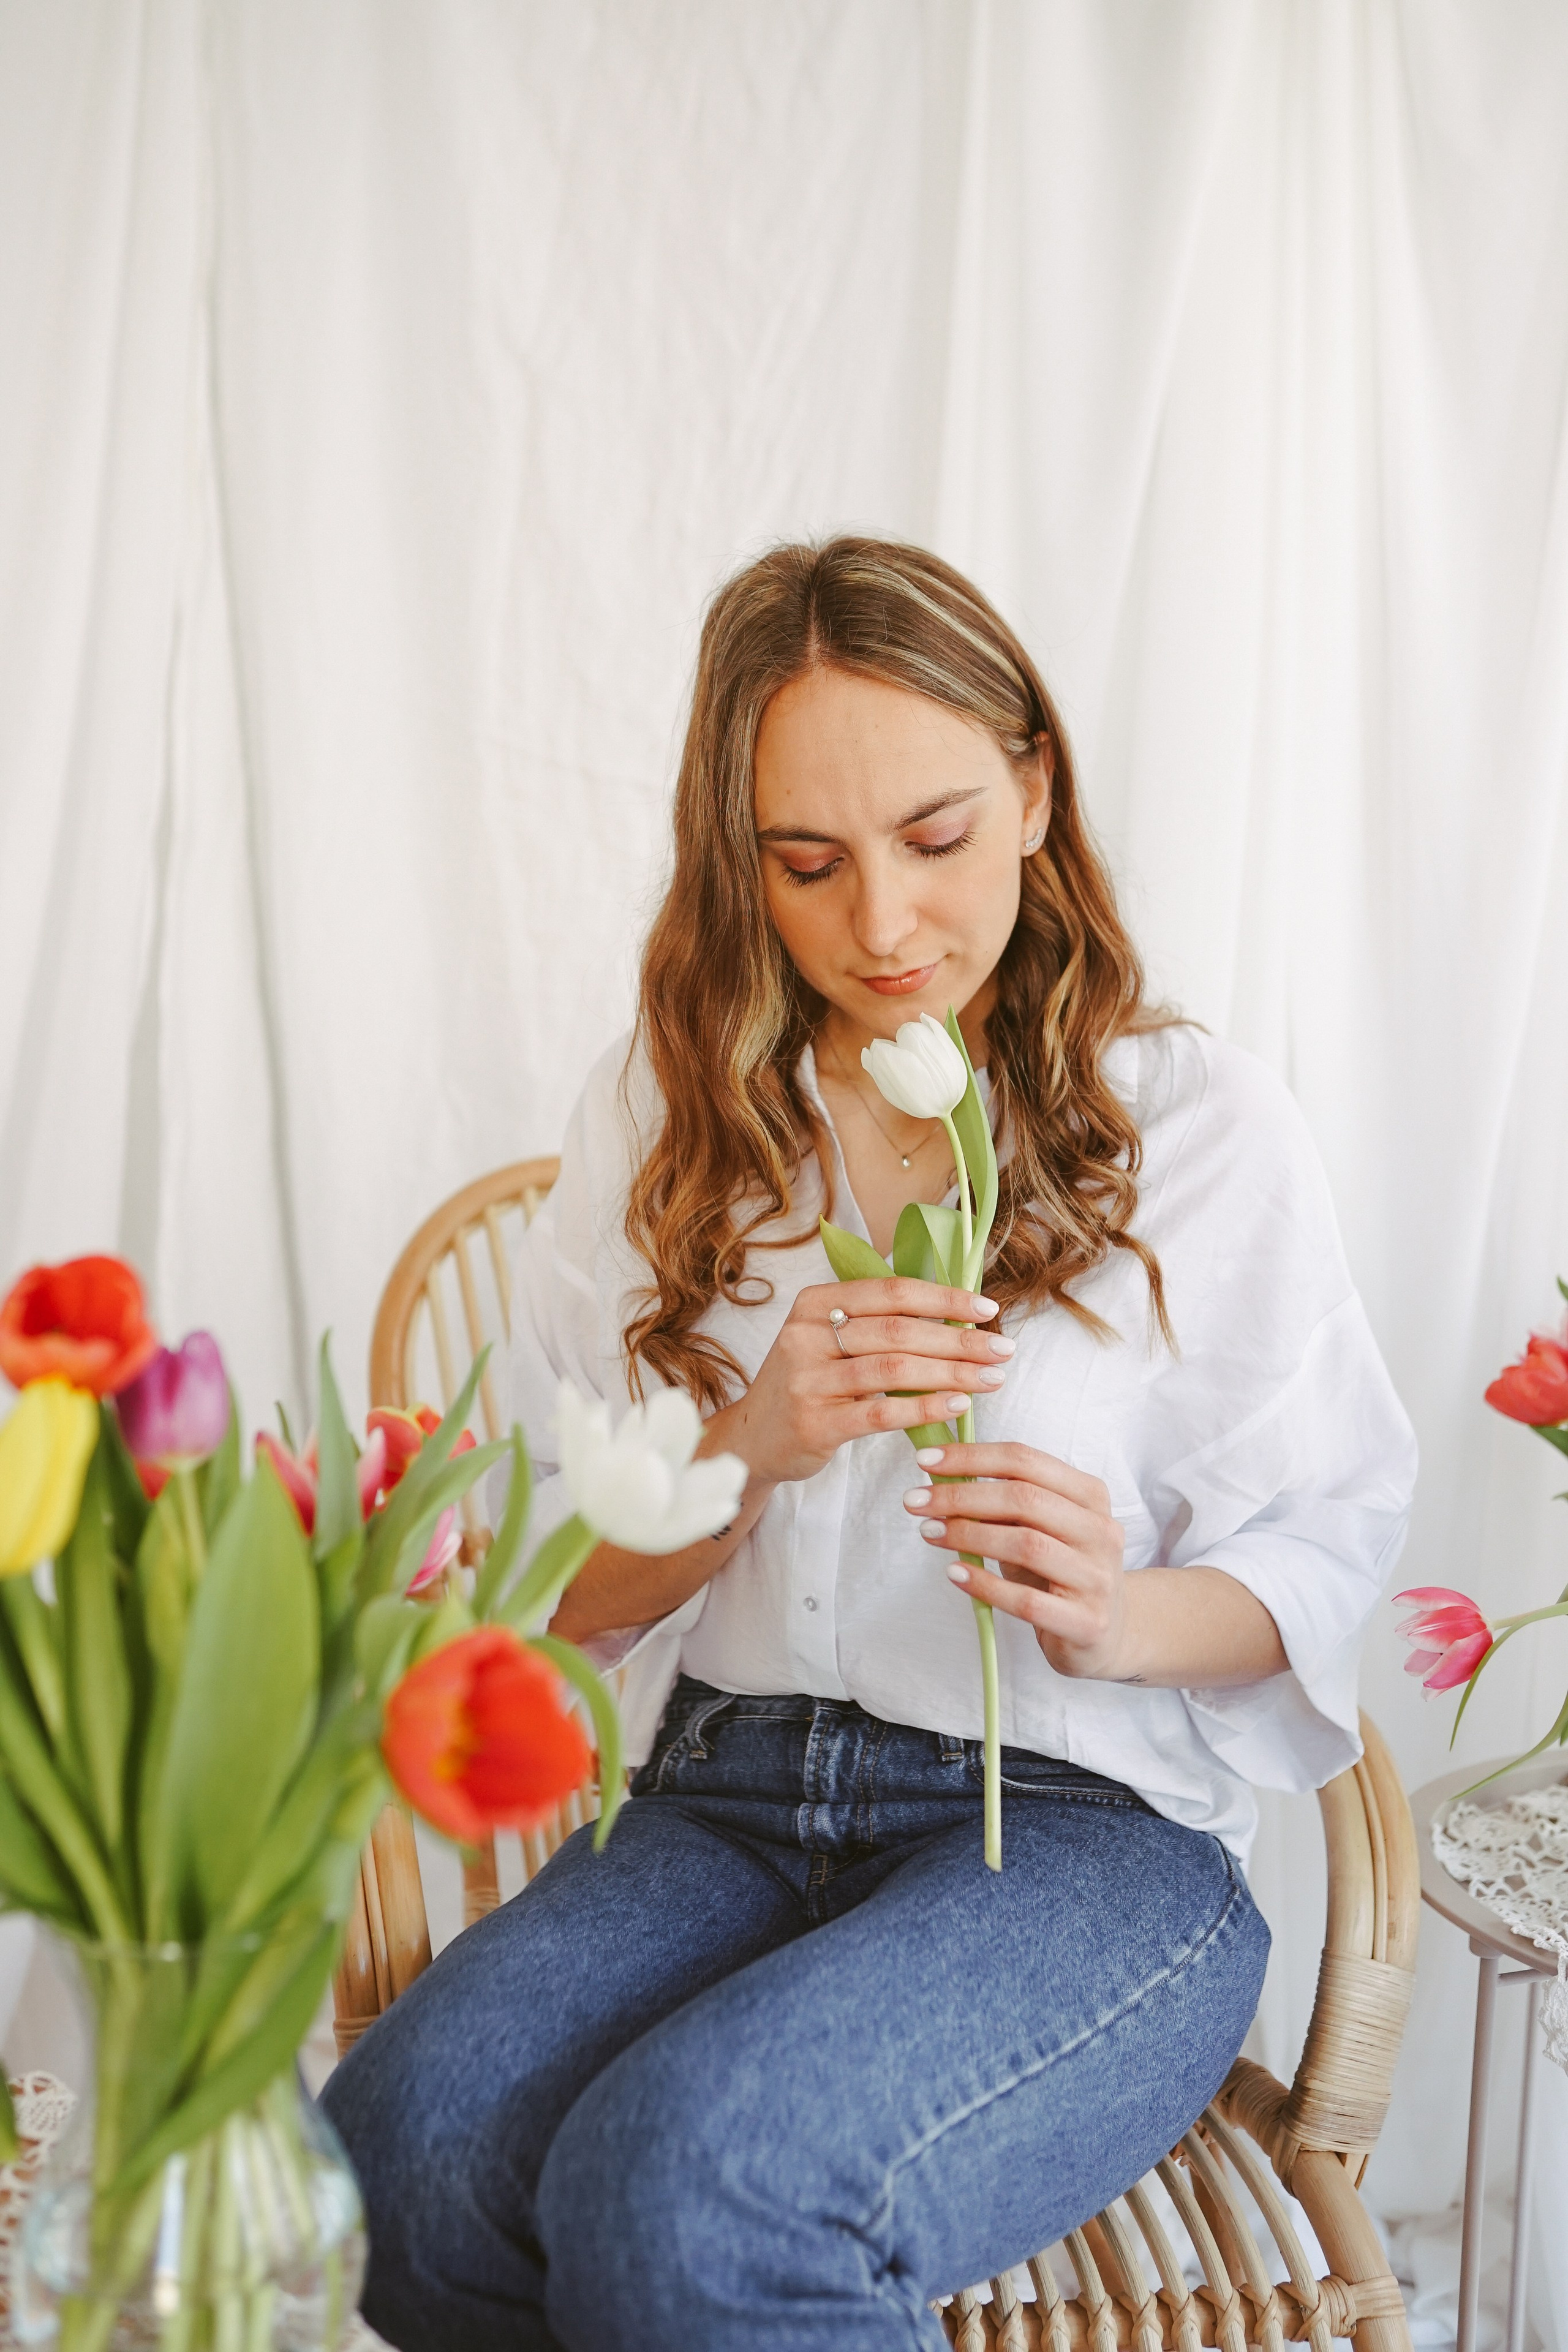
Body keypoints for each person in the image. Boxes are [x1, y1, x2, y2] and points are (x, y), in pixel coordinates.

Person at [323, 537, 1417, 2352]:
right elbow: (544, 1596)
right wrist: (748, 1444)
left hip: (1077, 1834)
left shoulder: (1192, 1124)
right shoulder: (665, 1120)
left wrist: (1117, 1611)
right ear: (738, 859)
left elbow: (1333, 1541)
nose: (886, 926)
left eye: (937, 837)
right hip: (721, 1798)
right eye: (808, 864)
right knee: (401, 2168)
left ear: (1034, 790)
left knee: (701, 2195)